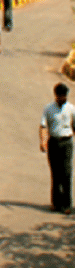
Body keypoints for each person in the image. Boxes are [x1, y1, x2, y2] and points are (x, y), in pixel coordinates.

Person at [40, 83, 75, 214]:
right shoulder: (48, 109)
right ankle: (56, 203)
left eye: (64, 96)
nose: (62, 98)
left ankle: (66, 205)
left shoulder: (71, 109)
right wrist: (43, 141)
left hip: (67, 143)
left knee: (66, 172)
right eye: (60, 96)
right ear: (56, 96)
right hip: (54, 142)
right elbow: (43, 126)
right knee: (55, 173)